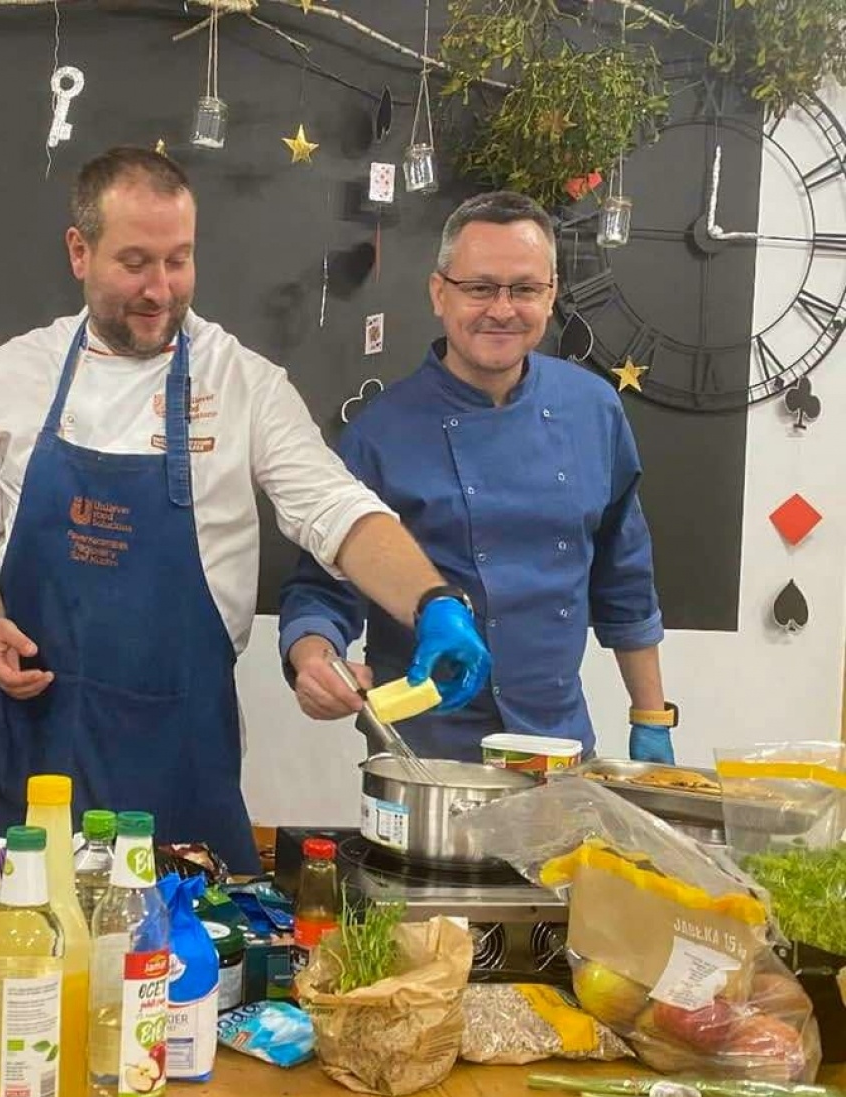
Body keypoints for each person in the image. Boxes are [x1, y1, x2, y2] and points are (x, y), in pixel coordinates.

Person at [0, 146, 490, 873]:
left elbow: (334, 508)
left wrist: (434, 603)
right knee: (24, 956)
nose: (160, 289)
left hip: (177, 742)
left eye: (178, 261)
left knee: (189, 961)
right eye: (134, 262)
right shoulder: (7, 375)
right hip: (33, 730)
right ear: (80, 251)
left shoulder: (245, 384)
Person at [279, 190, 677, 765]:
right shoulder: (381, 431)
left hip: (559, 745)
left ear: (552, 295)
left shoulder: (594, 411)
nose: (502, 308)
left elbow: (625, 580)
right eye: (480, 287)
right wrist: (313, 657)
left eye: (524, 289)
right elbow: (324, 588)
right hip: (423, 753)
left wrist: (651, 719)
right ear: (440, 293)